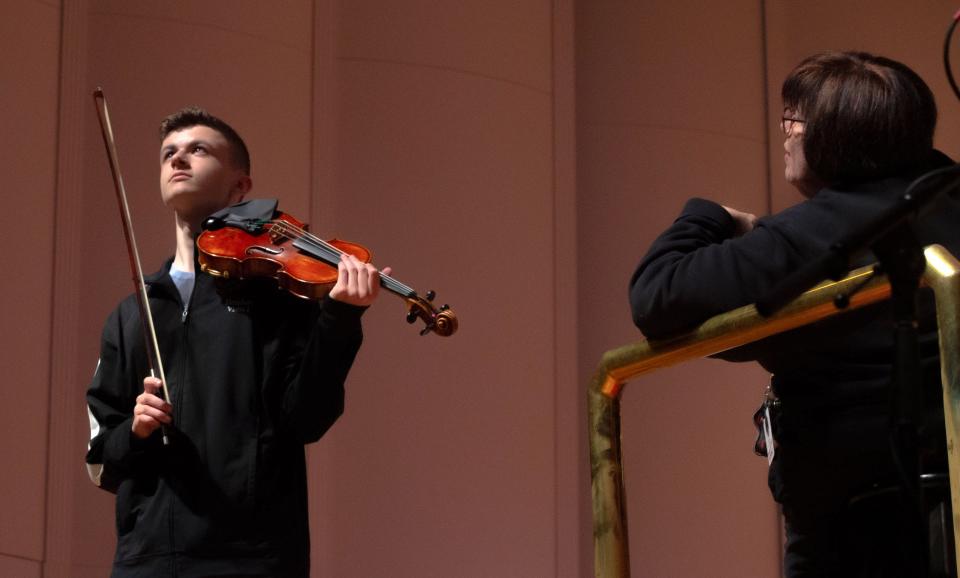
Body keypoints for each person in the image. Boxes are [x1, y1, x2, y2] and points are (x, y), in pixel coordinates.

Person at [629, 51, 960, 577]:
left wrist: (709, 215)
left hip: (858, 532)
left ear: (835, 134)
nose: (786, 135)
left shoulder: (810, 238)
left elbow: (657, 295)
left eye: (793, 120)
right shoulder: (949, 199)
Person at [85, 107, 389, 577]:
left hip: (252, 559)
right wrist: (137, 430)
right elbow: (101, 463)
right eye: (170, 153)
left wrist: (340, 318)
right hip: (146, 562)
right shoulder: (131, 315)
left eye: (198, 150)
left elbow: (307, 418)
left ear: (240, 186)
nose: (178, 159)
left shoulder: (277, 296)